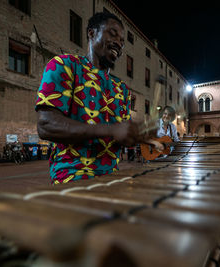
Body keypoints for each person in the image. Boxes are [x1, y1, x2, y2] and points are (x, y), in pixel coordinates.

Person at [35, 12, 143, 184]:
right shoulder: (64, 65)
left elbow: (120, 137)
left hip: (112, 178)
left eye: (122, 42)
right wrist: (110, 130)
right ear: (91, 33)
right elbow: (46, 125)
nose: (119, 44)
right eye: (112, 34)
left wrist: (136, 136)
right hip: (72, 177)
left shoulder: (121, 88)